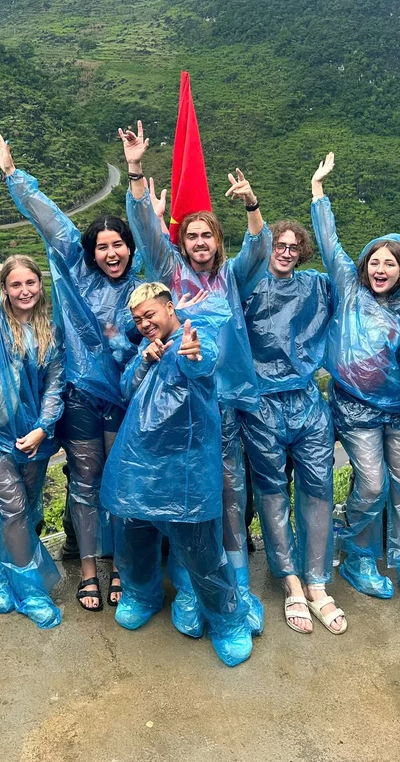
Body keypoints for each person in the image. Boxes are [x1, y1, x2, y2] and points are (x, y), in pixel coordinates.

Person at [120, 120, 266, 638]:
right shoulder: (170, 272)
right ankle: (185, 587)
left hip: (221, 407)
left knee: (225, 497)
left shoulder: (232, 276)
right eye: (192, 235)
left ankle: (233, 588)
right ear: (181, 241)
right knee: (173, 500)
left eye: (207, 235)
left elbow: (259, 250)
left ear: (217, 241)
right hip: (172, 412)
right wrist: (136, 170)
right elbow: (144, 229)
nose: (199, 242)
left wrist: (251, 205)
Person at [0, 131, 139, 611]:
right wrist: (14, 175)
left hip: (125, 397)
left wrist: (134, 175)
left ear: (131, 249)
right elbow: (51, 221)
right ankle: (91, 570)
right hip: (78, 399)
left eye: (119, 245)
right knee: (85, 483)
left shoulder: (145, 281)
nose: (111, 253)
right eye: (103, 246)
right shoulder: (76, 268)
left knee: (118, 480)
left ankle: (120, 568)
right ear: (90, 250)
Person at [310, 153, 400, 618]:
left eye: (390, 264)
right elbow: (329, 242)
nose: (380, 269)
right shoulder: (348, 288)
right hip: (354, 409)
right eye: (374, 261)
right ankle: (356, 552)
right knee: (372, 486)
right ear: (364, 266)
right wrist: (319, 193)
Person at [101, 283, 254, 667]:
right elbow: (125, 389)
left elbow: (202, 363)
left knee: (201, 552)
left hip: (185, 469)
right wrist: (144, 360)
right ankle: (141, 594)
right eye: (138, 320)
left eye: (150, 314)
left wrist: (194, 355)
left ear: (171, 308)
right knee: (134, 536)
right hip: (140, 465)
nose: (144, 323)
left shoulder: (195, 336)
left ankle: (228, 620)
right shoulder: (145, 347)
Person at [0, 186, 66, 629]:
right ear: (4, 289)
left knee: (23, 508)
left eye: (30, 282)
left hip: (34, 437)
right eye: (15, 284)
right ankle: (29, 590)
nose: (24, 290)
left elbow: (56, 386)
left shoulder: (51, 333)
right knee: (17, 508)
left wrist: (43, 427)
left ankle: (3, 578)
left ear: (40, 286)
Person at [238, 219, 344, 634]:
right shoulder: (248, 288)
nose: (284, 252)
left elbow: (354, 283)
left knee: (318, 489)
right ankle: (291, 581)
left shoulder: (316, 286)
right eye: (278, 245)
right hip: (262, 404)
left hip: (306, 400)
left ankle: (317, 582)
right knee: (272, 492)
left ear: (302, 251)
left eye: (291, 246)